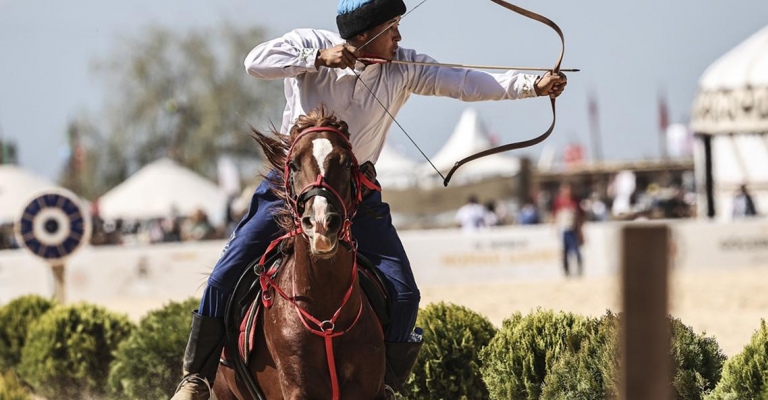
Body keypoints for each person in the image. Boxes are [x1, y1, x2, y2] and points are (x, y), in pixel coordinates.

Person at [171, 0, 567, 398]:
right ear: (364, 33)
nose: (400, 36)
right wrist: (317, 58)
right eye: (392, 27)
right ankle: (197, 378)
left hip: (355, 191)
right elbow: (255, 62)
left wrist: (532, 85)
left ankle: (387, 386)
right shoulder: (311, 43)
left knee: (404, 292)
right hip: (294, 187)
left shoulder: (402, 66)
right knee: (226, 273)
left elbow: (461, 80)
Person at [552, 182, 584, 277]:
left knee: (576, 250)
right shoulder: (558, 202)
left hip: (573, 229)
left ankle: (579, 271)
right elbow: (554, 215)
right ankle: (567, 272)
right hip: (563, 229)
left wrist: (580, 230)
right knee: (565, 252)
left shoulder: (575, 201)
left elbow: (581, 216)